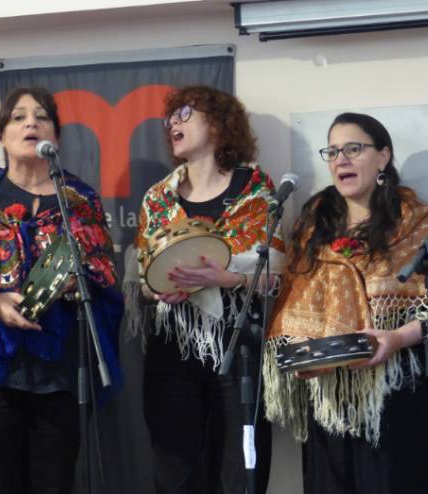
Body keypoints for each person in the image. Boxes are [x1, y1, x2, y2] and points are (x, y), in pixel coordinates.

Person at [263, 112, 428, 494]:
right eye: (332, 152)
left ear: (383, 157)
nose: (340, 160)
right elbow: (295, 303)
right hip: (331, 397)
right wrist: (304, 354)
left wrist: (395, 338)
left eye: (353, 149)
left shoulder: (419, 223)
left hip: (400, 390)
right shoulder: (313, 226)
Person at [0, 86, 123, 493]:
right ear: (2, 136)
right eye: (18, 117)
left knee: (54, 484)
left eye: (41, 116)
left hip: (59, 370)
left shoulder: (79, 200)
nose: (31, 123)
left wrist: (75, 282)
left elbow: (105, 277)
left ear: (56, 136)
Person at [129, 86, 284, 494]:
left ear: (218, 123)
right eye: (170, 118)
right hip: (172, 347)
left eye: (185, 113)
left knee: (239, 471)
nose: (173, 124)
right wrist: (158, 290)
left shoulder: (254, 188)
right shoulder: (156, 198)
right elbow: (142, 276)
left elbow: (274, 272)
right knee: (176, 469)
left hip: (237, 345)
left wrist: (226, 278)